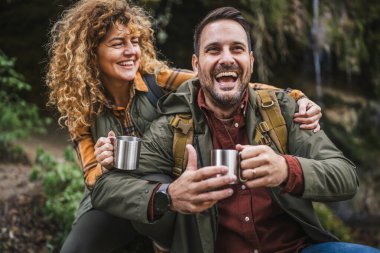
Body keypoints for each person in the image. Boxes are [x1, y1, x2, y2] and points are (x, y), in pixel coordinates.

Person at [92, 6, 380, 253]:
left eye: (237, 49)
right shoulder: (173, 127)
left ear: (251, 62)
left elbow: (345, 176)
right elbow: (105, 189)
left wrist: (286, 169)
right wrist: (169, 195)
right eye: (213, 50)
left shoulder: (284, 111)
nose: (226, 59)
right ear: (197, 64)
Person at [46, 0, 322, 252]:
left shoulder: (157, 79)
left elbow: (223, 82)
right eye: (119, 44)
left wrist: (292, 97)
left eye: (135, 41)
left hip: (172, 190)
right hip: (118, 196)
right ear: (91, 53)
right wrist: (106, 165)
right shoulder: (80, 110)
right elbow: (94, 180)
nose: (132, 51)